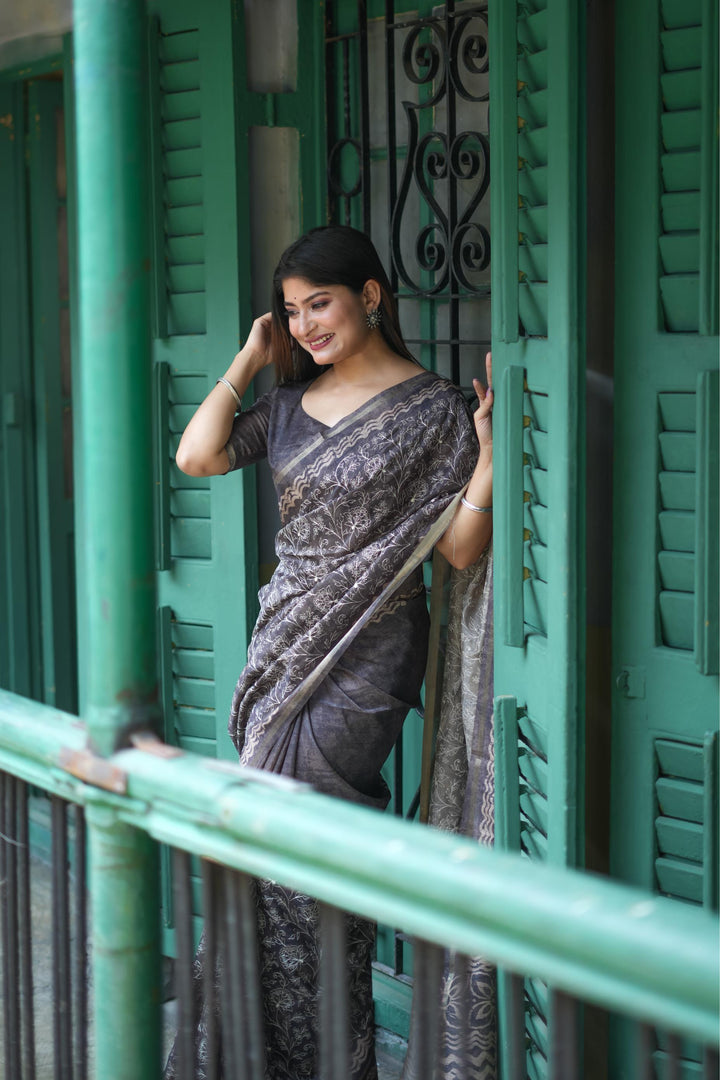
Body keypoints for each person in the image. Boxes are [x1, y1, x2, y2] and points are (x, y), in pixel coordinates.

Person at [169, 225, 493, 1079]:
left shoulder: (434, 412)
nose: (307, 325)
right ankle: (260, 1050)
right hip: (280, 648)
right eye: (291, 311)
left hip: (369, 652)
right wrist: (249, 358)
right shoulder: (282, 406)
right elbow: (195, 454)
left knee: (310, 844)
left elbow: (457, 550)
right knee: (269, 848)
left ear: (372, 296)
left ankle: (320, 1053)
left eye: (322, 303)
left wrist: (488, 462)